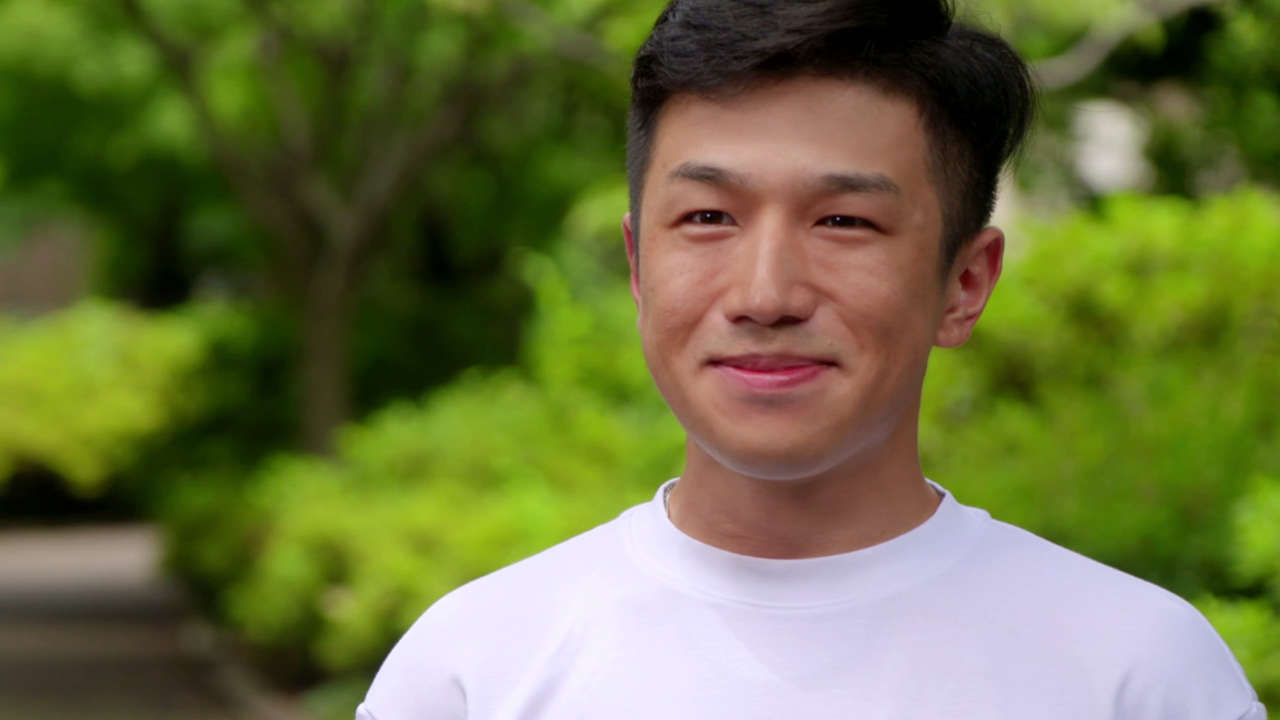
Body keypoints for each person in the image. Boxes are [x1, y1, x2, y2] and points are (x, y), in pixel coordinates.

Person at [357, 1, 1266, 718]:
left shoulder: (1137, 675)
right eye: (707, 217)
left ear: (965, 282)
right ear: (638, 266)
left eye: (843, 221)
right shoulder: (473, 670)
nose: (766, 294)